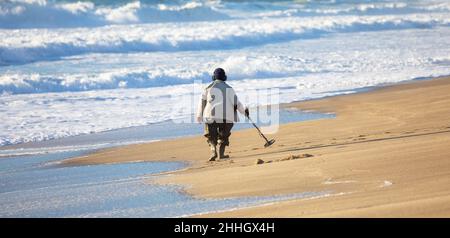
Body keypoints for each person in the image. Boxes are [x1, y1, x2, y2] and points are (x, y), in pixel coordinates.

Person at [196, 68, 249, 161]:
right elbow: (237, 104)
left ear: (213, 77)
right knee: (224, 135)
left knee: (211, 135)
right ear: (224, 77)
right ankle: (221, 153)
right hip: (227, 118)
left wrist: (199, 116)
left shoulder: (208, 88)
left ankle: (213, 151)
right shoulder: (229, 88)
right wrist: (244, 113)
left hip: (210, 116)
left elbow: (202, 103)